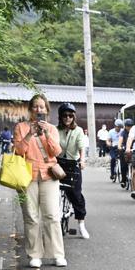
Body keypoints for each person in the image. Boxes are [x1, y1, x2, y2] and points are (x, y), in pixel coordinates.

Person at [12, 93, 67, 268]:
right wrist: (29, 134)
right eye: (35, 106)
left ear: (46, 110)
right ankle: (34, 254)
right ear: (30, 110)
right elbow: (19, 151)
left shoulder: (51, 129)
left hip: (49, 175)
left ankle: (57, 254)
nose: (38, 109)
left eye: (42, 107)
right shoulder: (20, 127)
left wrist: (45, 135)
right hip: (26, 176)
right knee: (31, 216)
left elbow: (56, 152)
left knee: (52, 214)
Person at [56, 102, 89, 239]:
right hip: (57, 163)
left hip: (73, 164)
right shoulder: (55, 130)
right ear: (60, 117)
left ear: (73, 117)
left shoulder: (78, 130)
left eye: (70, 115)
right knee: (54, 191)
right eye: (64, 115)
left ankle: (81, 224)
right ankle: (55, 220)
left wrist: (82, 160)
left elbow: (81, 147)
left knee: (76, 194)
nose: (67, 118)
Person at [118, 118, 134, 190]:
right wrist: (119, 146)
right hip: (124, 149)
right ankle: (123, 180)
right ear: (125, 126)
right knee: (123, 165)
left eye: (130, 126)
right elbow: (120, 140)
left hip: (133, 149)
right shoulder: (123, 132)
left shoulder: (134, 131)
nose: (129, 127)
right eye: (128, 126)